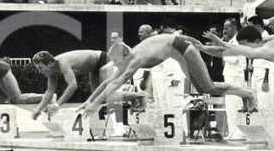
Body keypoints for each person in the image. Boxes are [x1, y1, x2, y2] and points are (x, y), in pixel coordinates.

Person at [80, 33, 256, 117]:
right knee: (204, 88)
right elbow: (108, 83)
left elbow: (116, 83)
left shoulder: (135, 60)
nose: (116, 65)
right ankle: (245, 95)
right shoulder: (127, 58)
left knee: (208, 86)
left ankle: (247, 94)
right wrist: (89, 101)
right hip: (178, 47)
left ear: (124, 56)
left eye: (117, 62)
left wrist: (95, 104)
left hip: (184, 49)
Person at [30, 50, 123, 119]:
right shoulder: (52, 71)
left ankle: (135, 97)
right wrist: (38, 109)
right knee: (98, 99)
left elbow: (73, 85)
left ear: (50, 63)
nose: (39, 71)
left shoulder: (62, 63)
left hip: (103, 59)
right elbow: (50, 91)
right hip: (93, 68)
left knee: (106, 96)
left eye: (40, 68)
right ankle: (131, 99)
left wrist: (57, 105)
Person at [220, 18, 248, 140]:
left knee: (236, 105)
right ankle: (232, 131)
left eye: (226, 28)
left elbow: (234, 59)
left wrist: (222, 52)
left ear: (234, 28)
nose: (224, 31)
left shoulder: (237, 41)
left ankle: (239, 132)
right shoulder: (231, 42)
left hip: (236, 77)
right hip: (230, 76)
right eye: (224, 28)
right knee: (230, 106)